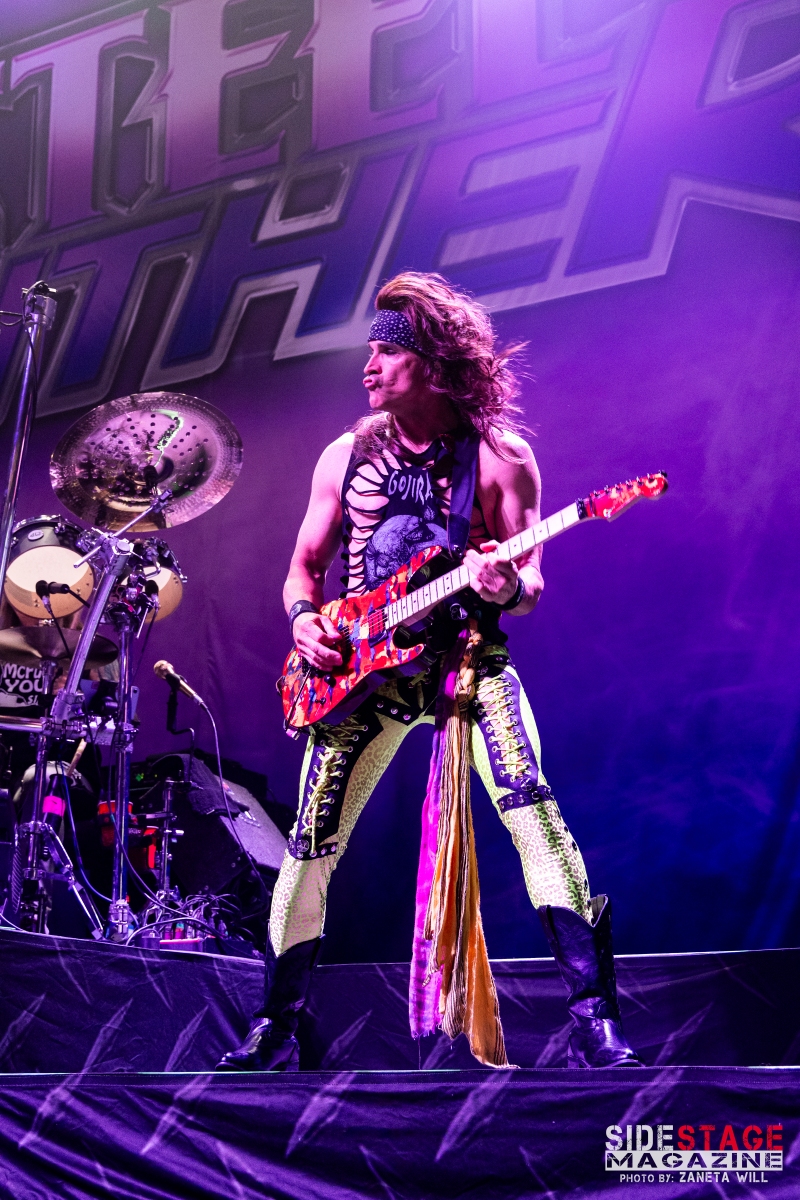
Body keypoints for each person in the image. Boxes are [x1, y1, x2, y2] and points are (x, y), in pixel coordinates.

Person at [217, 272, 642, 1071]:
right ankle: (277, 1025)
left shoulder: (502, 457)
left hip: (464, 665)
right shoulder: (344, 455)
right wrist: (305, 621)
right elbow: (303, 567)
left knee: (533, 811)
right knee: (310, 842)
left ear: (434, 364)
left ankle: (594, 1021)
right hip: (361, 673)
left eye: (387, 352)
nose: (369, 366)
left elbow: (530, 587)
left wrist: (503, 584)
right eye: (370, 352)